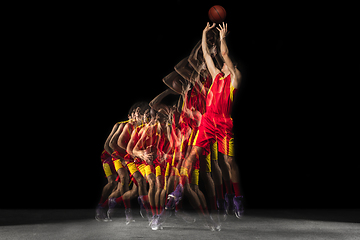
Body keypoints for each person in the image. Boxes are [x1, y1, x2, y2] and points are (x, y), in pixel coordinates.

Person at [167, 22, 244, 219]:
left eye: (227, 63)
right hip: (208, 121)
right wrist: (203, 34)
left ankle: (237, 197)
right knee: (192, 155)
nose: (223, 63)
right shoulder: (216, 76)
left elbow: (224, 54)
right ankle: (178, 190)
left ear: (232, 67)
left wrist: (222, 38)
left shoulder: (235, 77)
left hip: (224, 123)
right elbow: (207, 55)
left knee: (228, 161)